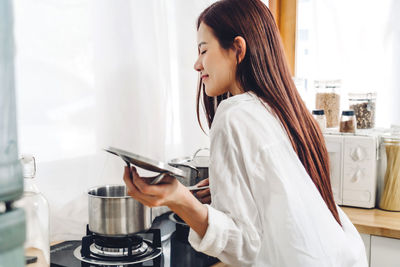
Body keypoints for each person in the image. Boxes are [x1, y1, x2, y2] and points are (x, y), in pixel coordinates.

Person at [123, 0, 368, 266]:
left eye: (203, 50)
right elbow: (284, 194)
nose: (196, 64)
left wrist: (179, 199)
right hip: (344, 253)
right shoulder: (284, 110)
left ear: (238, 48)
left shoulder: (233, 114)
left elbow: (245, 246)